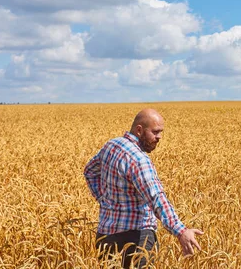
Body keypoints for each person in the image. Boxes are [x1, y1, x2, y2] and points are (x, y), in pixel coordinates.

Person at [84, 108, 203, 268]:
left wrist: (104, 200)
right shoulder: (139, 160)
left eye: (160, 132)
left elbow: (89, 171)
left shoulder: (111, 146)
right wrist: (181, 231)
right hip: (137, 239)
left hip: (105, 238)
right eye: (155, 132)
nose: (159, 137)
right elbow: (157, 198)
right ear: (139, 130)